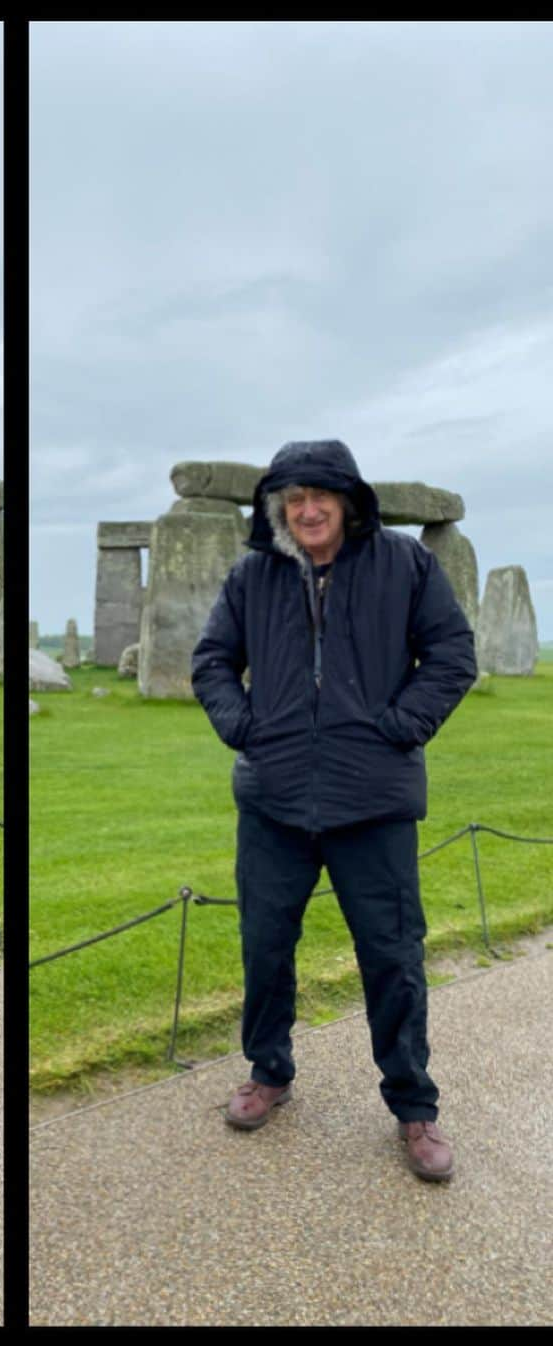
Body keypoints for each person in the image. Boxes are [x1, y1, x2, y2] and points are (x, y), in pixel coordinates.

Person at [192, 440, 476, 1182]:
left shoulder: (405, 564)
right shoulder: (253, 575)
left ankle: (414, 1106)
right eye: (293, 498)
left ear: (348, 500)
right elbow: (212, 659)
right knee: (264, 947)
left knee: (392, 956)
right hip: (274, 799)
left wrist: (398, 728)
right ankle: (269, 1069)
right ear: (277, 508)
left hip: (373, 799)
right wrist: (244, 726)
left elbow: (451, 653)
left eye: (321, 495)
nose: (308, 510)